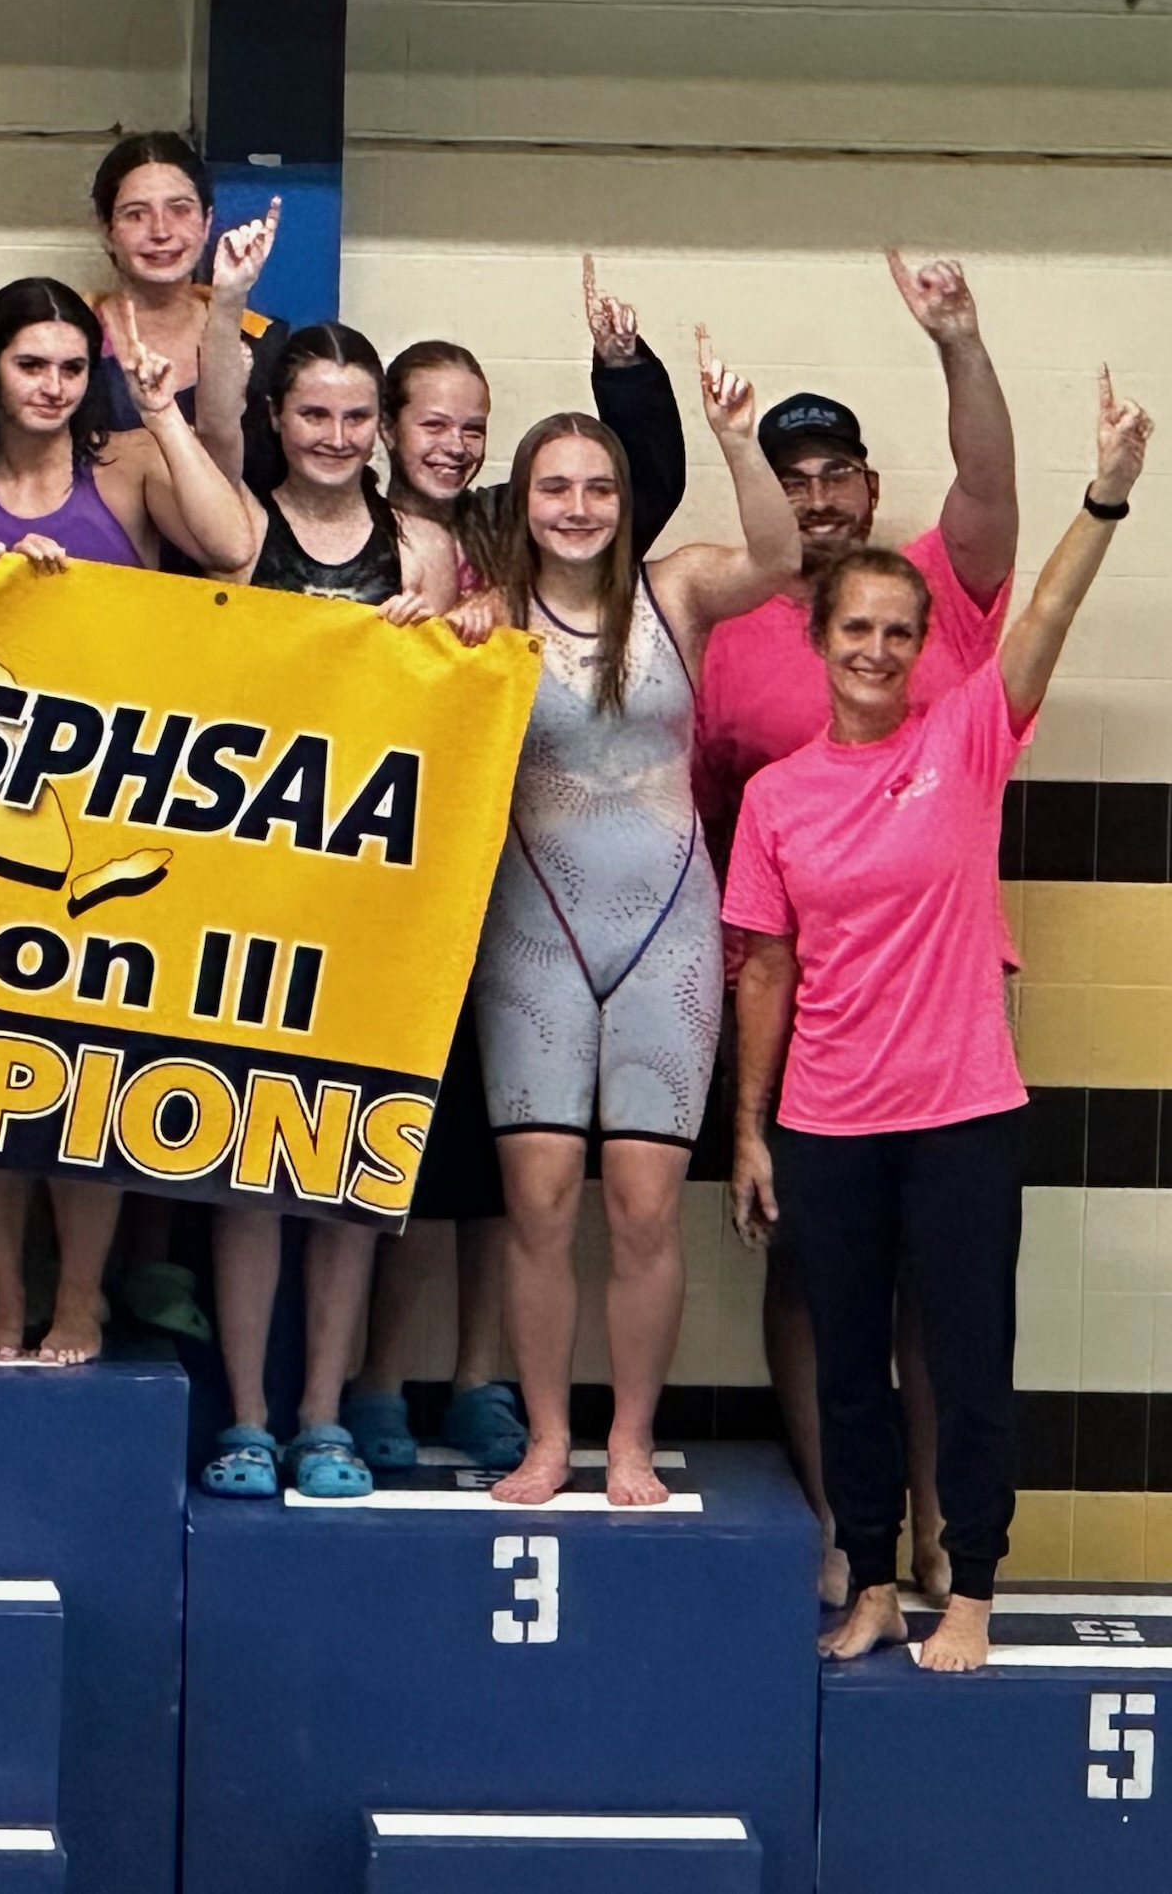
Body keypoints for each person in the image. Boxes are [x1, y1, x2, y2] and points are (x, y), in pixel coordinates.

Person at [733, 374, 1148, 1671]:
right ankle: (868, 1579)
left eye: (897, 633)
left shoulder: (968, 741)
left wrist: (1107, 494)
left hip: (962, 1111)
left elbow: (1052, 609)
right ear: (821, 638)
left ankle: (968, 1583)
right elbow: (764, 973)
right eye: (853, 629)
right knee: (849, 1367)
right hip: (827, 1120)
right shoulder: (779, 797)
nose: (873, 650)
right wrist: (749, 1130)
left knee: (969, 1358)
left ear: (922, 647)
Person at [697, 252, 1018, 1601]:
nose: (815, 495)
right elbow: (715, 818)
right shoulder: (725, 628)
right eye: (791, 475)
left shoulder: (942, 586)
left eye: (836, 473)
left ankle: (949, 1540)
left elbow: (997, 484)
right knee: (818, 1283)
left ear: (872, 491)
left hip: (950, 1013)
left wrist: (958, 340)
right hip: (803, 1013)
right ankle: (850, 1534)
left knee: (942, 1303)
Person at [343, 263, 692, 1473]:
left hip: (645, 928)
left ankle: (586, 1425)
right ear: (389, 430)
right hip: (479, 916)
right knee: (468, 1183)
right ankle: (434, 1400)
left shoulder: (511, 532)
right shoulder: (423, 550)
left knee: (605, 1202)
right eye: (429, 421)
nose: (452, 442)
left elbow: (643, 488)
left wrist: (626, 371)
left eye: (470, 425)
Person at [474, 334, 801, 1510]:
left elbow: (777, 553)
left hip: (666, 930)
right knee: (541, 1202)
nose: (576, 507)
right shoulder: (489, 614)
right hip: (534, 934)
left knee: (646, 1204)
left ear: (626, 501)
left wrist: (733, 434)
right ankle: (550, 1438)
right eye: (554, 487)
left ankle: (628, 1439)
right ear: (524, 501)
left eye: (599, 487)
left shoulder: (675, 593)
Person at [0, 276, 255, 1362]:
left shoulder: (119, 471)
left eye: (74, 369)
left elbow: (232, 546)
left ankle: (79, 1298)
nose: (55, 387)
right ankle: (0, 1295)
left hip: (105, 813)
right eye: (33, 366)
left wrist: (161, 406)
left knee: (84, 1076)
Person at [192, 324, 462, 1502]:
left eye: (358, 418)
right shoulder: (249, 531)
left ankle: (322, 1412)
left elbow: (455, 701)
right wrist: (220, 318)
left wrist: (447, 641)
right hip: (258, 891)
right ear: (279, 421)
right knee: (253, 1168)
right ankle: (248, 1412)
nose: (338, 438)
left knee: (350, 1168)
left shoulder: (428, 546)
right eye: (315, 415)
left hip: (375, 903)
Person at [80, 130, 281, 497]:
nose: (160, 231)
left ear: (206, 221)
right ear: (105, 229)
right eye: (135, 214)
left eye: (180, 209)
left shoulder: (266, 343)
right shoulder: (70, 340)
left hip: (239, 549)